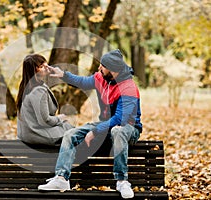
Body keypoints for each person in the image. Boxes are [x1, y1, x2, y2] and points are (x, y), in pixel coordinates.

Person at [38, 49, 142, 199]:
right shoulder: (101, 78)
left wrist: (95, 131)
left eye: (103, 65)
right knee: (70, 134)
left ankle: (122, 181)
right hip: (106, 126)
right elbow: (83, 82)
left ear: (112, 69)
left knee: (118, 131)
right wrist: (63, 75)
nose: (99, 68)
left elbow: (120, 119)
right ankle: (61, 179)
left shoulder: (128, 87)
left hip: (128, 129)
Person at [16, 54, 74, 146]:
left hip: (28, 134)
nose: (46, 67)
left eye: (45, 64)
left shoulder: (26, 86)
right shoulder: (38, 91)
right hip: (36, 135)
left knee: (68, 127)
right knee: (72, 130)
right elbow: (45, 120)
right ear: (33, 71)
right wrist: (59, 118)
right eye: (41, 66)